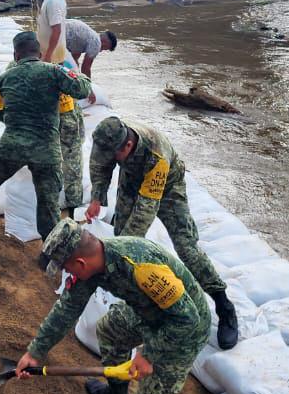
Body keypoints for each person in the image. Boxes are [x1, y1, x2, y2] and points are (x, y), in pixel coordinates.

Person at [12, 219, 209, 394]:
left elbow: (186, 318)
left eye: (66, 268)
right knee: (110, 329)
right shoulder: (91, 267)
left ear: (79, 262)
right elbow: (67, 308)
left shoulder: (140, 267)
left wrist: (148, 355)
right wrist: (35, 352)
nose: (66, 274)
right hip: (149, 314)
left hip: (181, 329)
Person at [86, 116, 239, 348]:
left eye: (113, 154)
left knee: (186, 248)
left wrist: (120, 251)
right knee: (119, 236)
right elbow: (99, 166)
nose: (107, 157)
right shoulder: (110, 140)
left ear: (127, 146)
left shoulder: (157, 156)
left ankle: (223, 304)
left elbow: (145, 212)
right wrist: (97, 197)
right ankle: (132, 299)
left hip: (168, 188)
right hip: (131, 180)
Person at [0, 32, 90, 246]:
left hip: (12, 144)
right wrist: (78, 74)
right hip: (46, 149)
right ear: (39, 53)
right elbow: (83, 89)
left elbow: (2, 115)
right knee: (48, 201)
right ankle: (48, 253)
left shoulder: (5, 77)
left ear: (15, 53)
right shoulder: (53, 71)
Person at [34, 0, 67, 66]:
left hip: (53, 57)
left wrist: (48, 55)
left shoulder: (53, 2)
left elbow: (57, 30)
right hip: (51, 55)